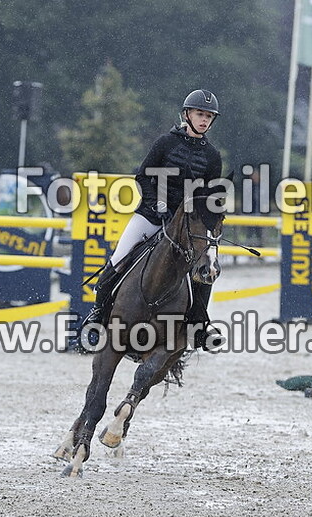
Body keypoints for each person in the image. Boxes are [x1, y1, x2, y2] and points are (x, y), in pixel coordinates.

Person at [83, 89, 226, 351]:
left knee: (206, 268)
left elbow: (209, 194)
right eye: (200, 114)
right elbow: (143, 177)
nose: (204, 120)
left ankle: (198, 326)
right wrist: (157, 205)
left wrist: (207, 216)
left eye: (208, 116)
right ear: (187, 115)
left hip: (187, 225)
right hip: (151, 216)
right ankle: (98, 314)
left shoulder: (212, 156)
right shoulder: (165, 143)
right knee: (119, 258)